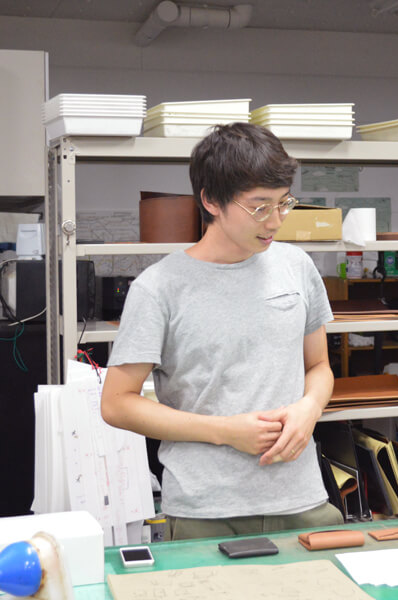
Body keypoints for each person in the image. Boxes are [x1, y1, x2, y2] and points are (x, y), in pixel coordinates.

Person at [101, 122, 343, 540]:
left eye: (284, 203)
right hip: (205, 511)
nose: (275, 221)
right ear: (211, 200)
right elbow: (116, 404)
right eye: (259, 207)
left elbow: (319, 366)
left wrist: (310, 408)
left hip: (302, 501)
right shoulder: (159, 288)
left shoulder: (297, 267)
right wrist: (225, 432)